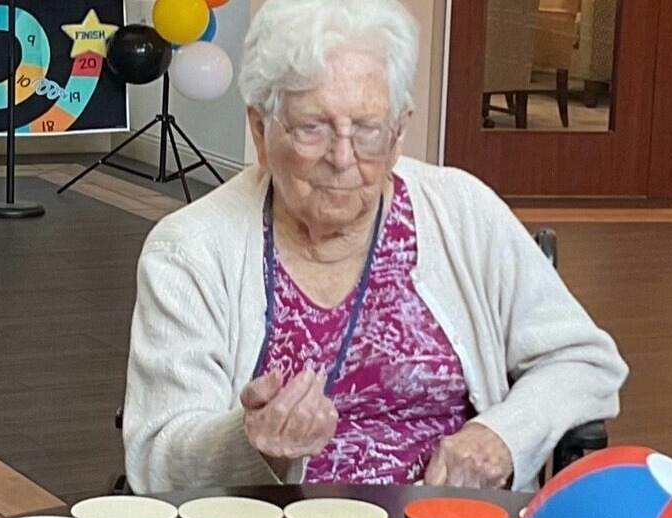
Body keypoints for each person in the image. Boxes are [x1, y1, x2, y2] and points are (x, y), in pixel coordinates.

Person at [123, 0, 626, 493]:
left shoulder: (462, 210)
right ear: (260, 128)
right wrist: (253, 446)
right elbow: (155, 461)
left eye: (367, 130)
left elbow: (584, 360)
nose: (342, 158)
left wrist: (501, 435)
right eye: (312, 128)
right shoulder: (188, 251)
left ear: (400, 130)